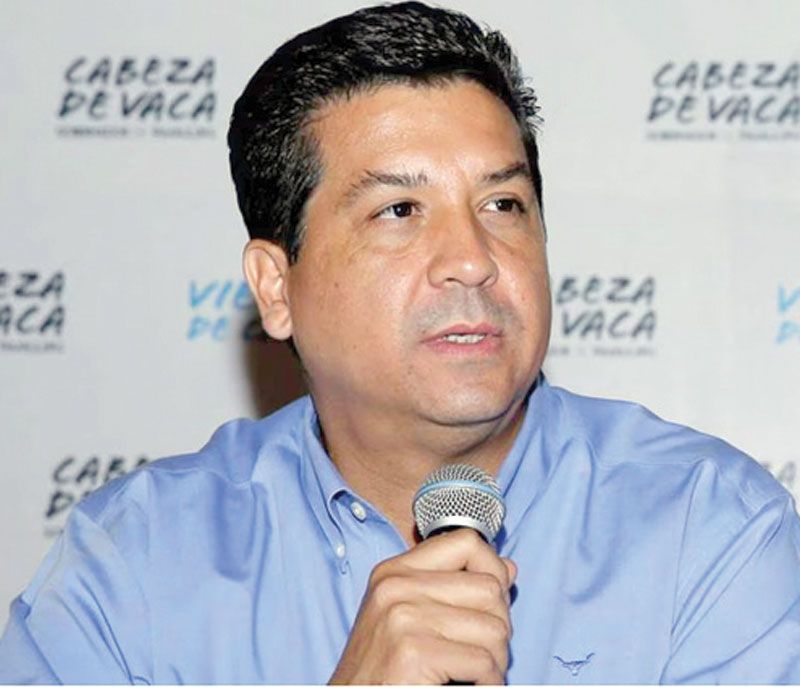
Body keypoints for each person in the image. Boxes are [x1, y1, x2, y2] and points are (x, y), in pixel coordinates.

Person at [2, 2, 800, 683]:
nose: (472, 260)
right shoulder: (135, 562)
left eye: (503, 204)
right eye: (400, 211)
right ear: (276, 287)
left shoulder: (708, 529)